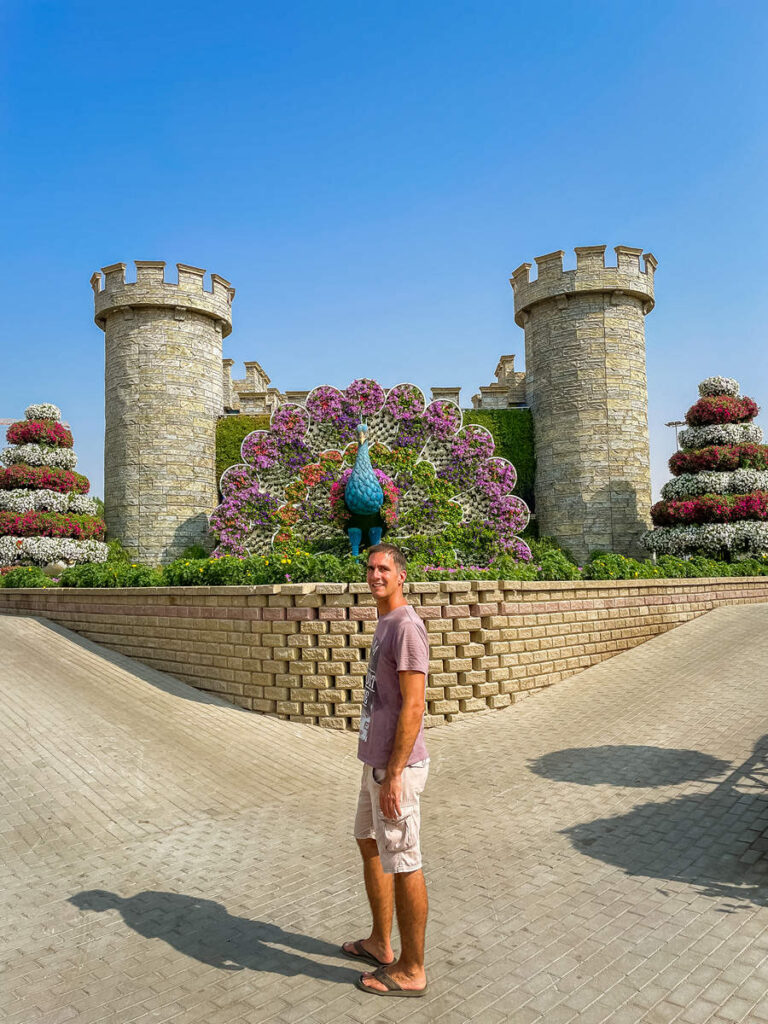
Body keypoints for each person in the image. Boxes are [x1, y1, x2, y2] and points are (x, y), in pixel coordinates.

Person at [341, 542, 430, 998]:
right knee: (368, 840)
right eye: (371, 568)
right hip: (374, 762)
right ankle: (380, 942)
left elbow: (414, 705)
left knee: (405, 861)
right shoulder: (385, 621)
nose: (375, 575)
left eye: (384, 569)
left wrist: (394, 773)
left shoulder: (406, 627)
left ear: (401, 576)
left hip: (396, 768)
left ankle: (413, 969)